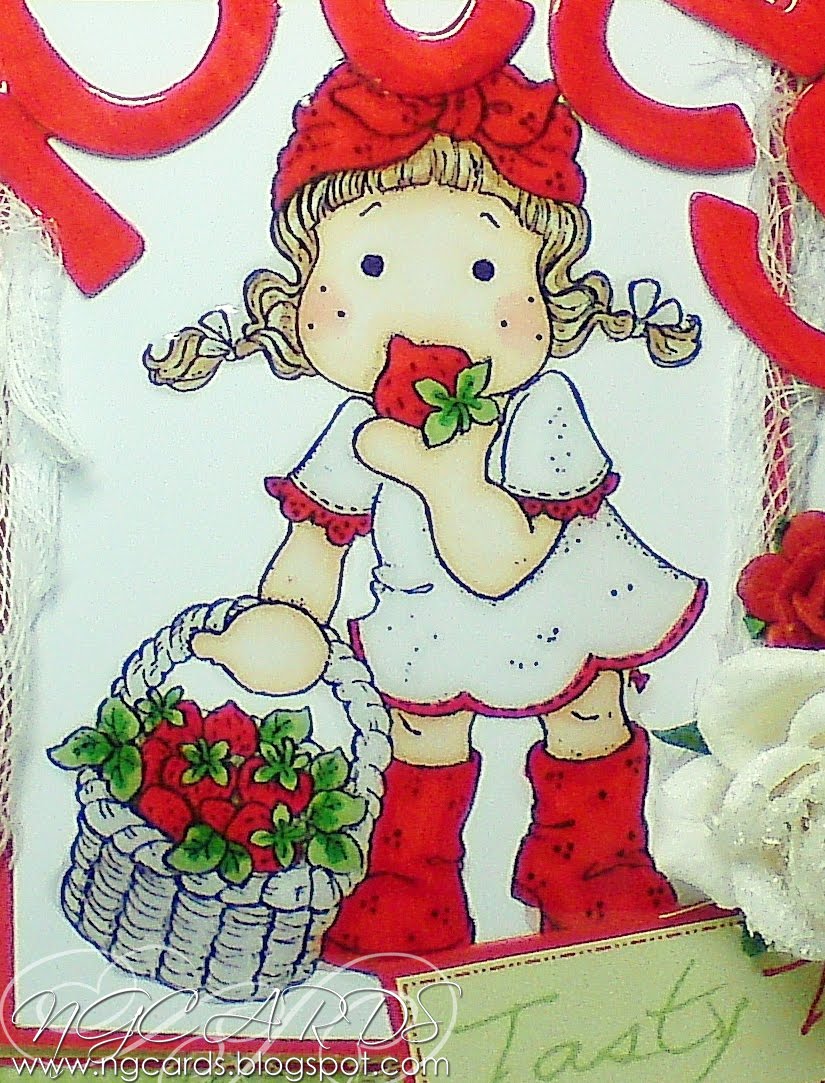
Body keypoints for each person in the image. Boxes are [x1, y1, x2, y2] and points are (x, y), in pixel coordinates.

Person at [144, 58, 705, 962]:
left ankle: (589, 872)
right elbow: (315, 545)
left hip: (560, 601)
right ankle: (411, 889)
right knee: (419, 736)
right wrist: (279, 622)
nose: (428, 311)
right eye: (369, 264)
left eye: (484, 267)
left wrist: (435, 471)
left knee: (587, 718)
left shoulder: (541, 410)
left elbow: (502, 561)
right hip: (426, 623)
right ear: (303, 288)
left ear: (546, 291)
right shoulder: (353, 429)